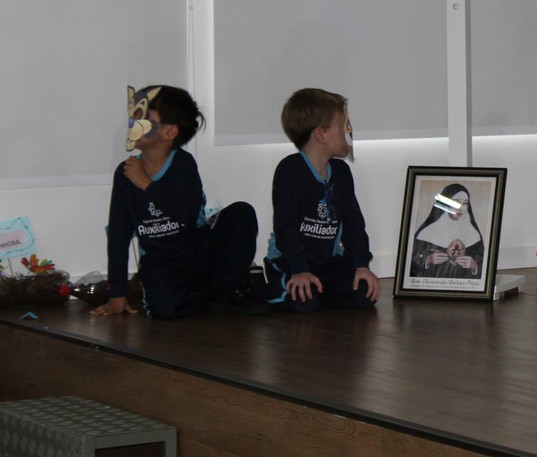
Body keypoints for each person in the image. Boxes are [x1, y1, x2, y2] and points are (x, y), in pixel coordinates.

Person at [94, 85, 267, 319]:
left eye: (143, 117)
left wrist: (147, 184)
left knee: (241, 213)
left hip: (195, 249)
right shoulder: (125, 173)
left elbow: (184, 215)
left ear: (169, 132)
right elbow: (118, 234)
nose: (133, 123)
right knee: (165, 311)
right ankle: (205, 294)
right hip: (160, 261)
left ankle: (228, 288)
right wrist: (117, 293)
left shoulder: (183, 164)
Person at [256, 88, 381, 312]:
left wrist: (361, 265)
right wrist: (299, 269)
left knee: (363, 295)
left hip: (327, 263)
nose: (349, 131)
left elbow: (353, 223)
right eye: (344, 126)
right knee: (305, 301)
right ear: (321, 135)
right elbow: (285, 225)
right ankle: (263, 288)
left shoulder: (341, 172)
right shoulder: (290, 169)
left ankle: (319, 289)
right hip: (290, 261)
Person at [410, 183, 484, 279]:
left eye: (465, 203)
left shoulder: (474, 235)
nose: (461, 207)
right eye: (456, 202)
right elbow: (412, 263)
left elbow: (484, 265)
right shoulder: (426, 233)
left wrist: (474, 266)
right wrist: (428, 260)